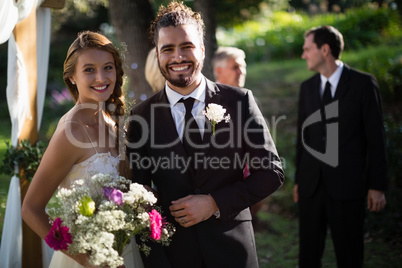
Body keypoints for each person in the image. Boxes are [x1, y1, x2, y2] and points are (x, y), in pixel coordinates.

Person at [126, 2, 284, 268]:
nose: (178, 57)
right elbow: (140, 197)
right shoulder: (141, 116)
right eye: (167, 49)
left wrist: (214, 203)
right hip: (174, 255)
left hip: (233, 250)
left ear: (202, 48)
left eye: (186, 46)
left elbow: (271, 173)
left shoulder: (239, 101)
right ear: (158, 53)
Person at [21, 31, 144, 268]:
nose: (101, 77)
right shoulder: (71, 131)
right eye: (89, 69)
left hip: (125, 252)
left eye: (108, 67)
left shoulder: (112, 121)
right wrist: (89, 261)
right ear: (72, 77)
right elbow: (31, 210)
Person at [293, 25, 388, 268]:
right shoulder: (307, 88)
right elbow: (302, 137)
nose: (303, 55)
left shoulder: (363, 84)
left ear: (324, 50)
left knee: (349, 255)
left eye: (307, 49)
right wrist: (298, 181)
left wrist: (377, 186)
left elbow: (376, 138)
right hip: (311, 186)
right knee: (308, 255)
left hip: (348, 187)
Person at [212, 46, 263, 225]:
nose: (241, 71)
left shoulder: (250, 99)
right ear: (219, 71)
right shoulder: (209, 102)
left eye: (243, 66)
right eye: (235, 67)